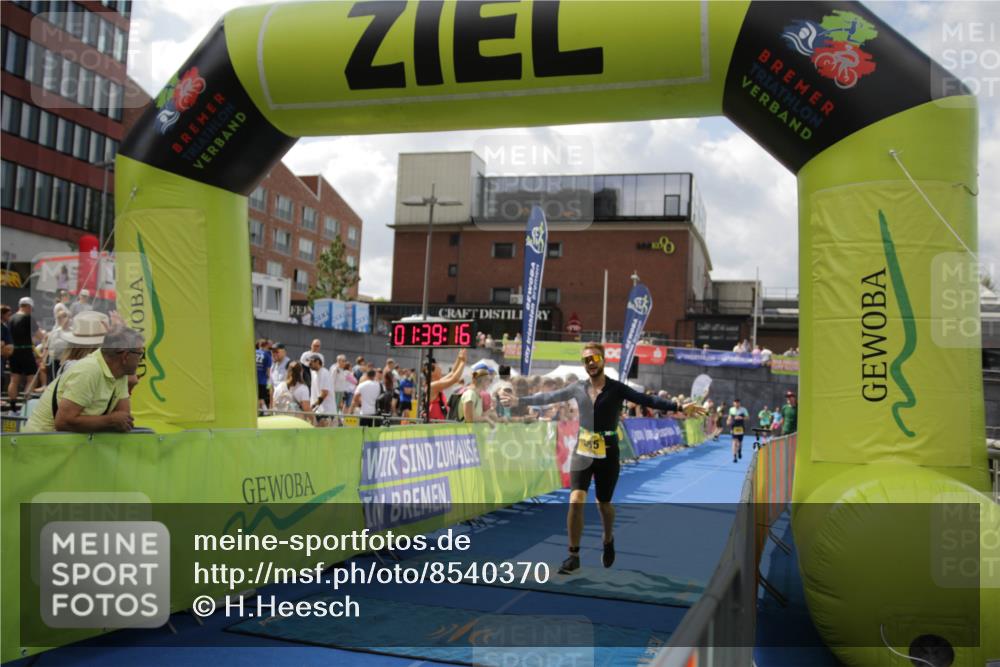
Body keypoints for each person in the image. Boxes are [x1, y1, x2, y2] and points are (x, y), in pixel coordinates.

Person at [500, 343, 705, 574]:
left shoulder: (617, 388)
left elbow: (646, 400)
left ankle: (608, 538)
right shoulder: (578, 387)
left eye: (594, 358)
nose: (591, 363)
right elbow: (550, 396)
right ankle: (573, 555)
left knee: (603, 504)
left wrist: (678, 406)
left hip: (608, 451)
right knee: (576, 499)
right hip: (582, 449)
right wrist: (519, 401)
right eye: (586, 360)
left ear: (603, 360)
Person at [25, 326, 143, 433]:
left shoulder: (119, 372)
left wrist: (113, 420)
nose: (141, 359)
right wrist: (110, 420)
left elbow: (123, 419)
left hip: (64, 444)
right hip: (41, 444)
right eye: (140, 354)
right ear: (125, 356)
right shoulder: (89, 370)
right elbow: (63, 422)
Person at [7, 298, 38, 411]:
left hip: (13, 352)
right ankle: (26, 406)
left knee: (14, 379)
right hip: (26, 351)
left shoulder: (11, 319)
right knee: (32, 378)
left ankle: (13, 407)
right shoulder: (28, 318)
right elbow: (39, 334)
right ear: (28, 306)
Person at [426, 348, 467, 421]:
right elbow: (454, 379)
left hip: (438, 423)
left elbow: (452, 372)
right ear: (432, 373)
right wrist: (463, 362)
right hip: (433, 424)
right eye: (438, 368)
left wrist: (459, 357)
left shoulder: (436, 383)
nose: (440, 369)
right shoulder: (433, 385)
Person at [306, 354, 336, 424]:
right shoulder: (313, 373)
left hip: (326, 412)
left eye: (311, 362)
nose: (309, 364)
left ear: (317, 362)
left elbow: (324, 393)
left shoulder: (324, 373)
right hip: (318, 411)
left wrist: (313, 406)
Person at [727, 398, 750, 463]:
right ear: (733, 403)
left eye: (738, 403)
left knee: (740, 442)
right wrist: (728, 421)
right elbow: (729, 417)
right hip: (733, 427)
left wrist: (741, 417)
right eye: (735, 403)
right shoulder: (731, 409)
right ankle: (734, 457)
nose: (736, 404)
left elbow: (748, 417)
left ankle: (739, 451)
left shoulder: (743, 409)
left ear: (739, 403)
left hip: (741, 427)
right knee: (734, 442)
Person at [254, 339, 272, 413]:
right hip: (262, 381)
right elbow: (268, 371)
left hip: (252, 380)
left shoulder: (253, 352)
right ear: (266, 346)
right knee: (261, 398)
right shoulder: (267, 355)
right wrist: (269, 380)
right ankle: (265, 412)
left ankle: (262, 412)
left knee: (255, 398)